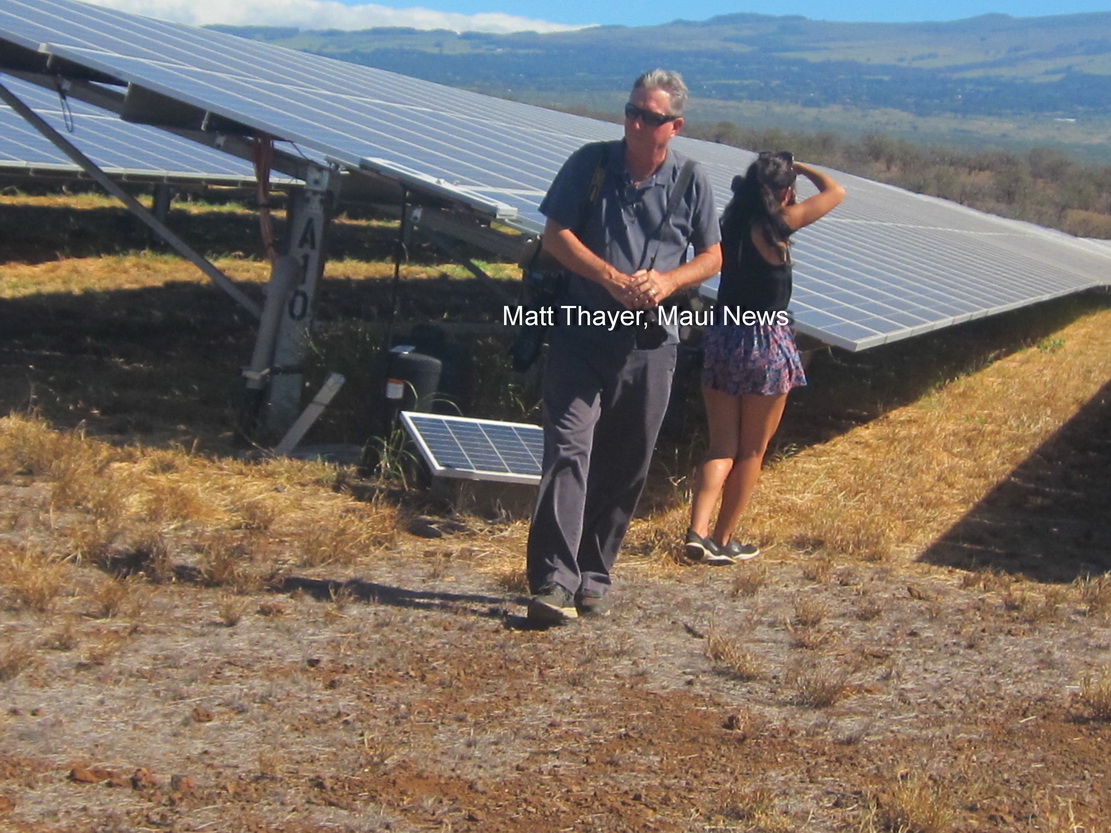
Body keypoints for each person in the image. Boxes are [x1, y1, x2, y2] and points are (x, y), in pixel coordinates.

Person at [526, 69, 723, 624]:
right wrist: (612, 278)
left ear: (674, 126)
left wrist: (668, 282)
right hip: (580, 331)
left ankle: (592, 576)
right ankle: (552, 582)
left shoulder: (690, 180)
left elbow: (714, 255)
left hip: (650, 342)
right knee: (568, 448)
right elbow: (555, 234)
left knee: (629, 459)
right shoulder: (590, 164)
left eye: (651, 116)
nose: (637, 122)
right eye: (632, 111)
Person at [686, 152, 844, 565]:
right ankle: (723, 539)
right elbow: (836, 192)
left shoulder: (729, 226)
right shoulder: (779, 225)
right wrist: (804, 165)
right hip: (765, 343)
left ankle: (696, 531)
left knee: (721, 445)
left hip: (722, 334)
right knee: (752, 451)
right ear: (785, 192)